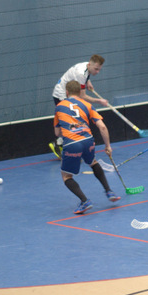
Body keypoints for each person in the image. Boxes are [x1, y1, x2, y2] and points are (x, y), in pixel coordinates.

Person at [54, 80, 120, 214]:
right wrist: (108, 146)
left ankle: (84, 201)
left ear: (67, 92)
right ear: (80, 92)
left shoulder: (59, 107)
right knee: (93, 162)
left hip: (72, 143)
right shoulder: (87, 105)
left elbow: (57, 133)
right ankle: (109, 191)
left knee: (66, 176)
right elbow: (102, 127)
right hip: (88, 140)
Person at [49, 55, 109, 158]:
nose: (98, 72)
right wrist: (99, 101)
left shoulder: (86, 66)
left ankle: (61, 143)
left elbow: (86, 76)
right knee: (71, 122)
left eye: (99, 69)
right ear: (90, 65)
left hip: (66, 92)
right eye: (96, 69)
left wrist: (88, 82)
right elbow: (82, 96)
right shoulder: (81, 74)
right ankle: (60, 144)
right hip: (61, 95)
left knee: (73, 121)